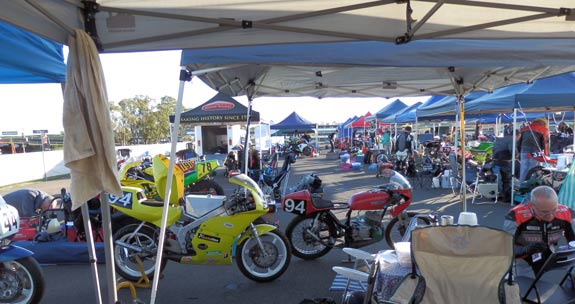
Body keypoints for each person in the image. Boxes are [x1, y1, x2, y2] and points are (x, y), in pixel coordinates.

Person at [503, 185, 575, 274]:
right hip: (524, 259)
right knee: (523, 284)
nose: (550, 215)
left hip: (552, 254)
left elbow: (573, 240)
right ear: (532, 206)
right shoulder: (515, 215)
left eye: (553, 210)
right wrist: (526, 249)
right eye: (544, 212)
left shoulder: (566, 212)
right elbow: (506, 248)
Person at [491, 128, 518, 203]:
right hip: (505, 161)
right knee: (507, 180)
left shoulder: (499, 139)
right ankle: (506, 196)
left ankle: (496, 195)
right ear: (517, 136)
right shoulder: (511, 140)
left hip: (495, 160)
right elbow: (513, 151)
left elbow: (493, 149)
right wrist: (516, 157)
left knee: (497, 179)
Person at [518, 118, 548, 183]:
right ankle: (530, 185)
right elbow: (545, 143)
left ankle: (521, 185)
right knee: (533, 169)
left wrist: (518, 152)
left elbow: (518, 142)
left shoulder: (523, 129)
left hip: (523, 151)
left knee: (523, 169)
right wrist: (546, 154)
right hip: (535, 152)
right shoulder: (544, 130)